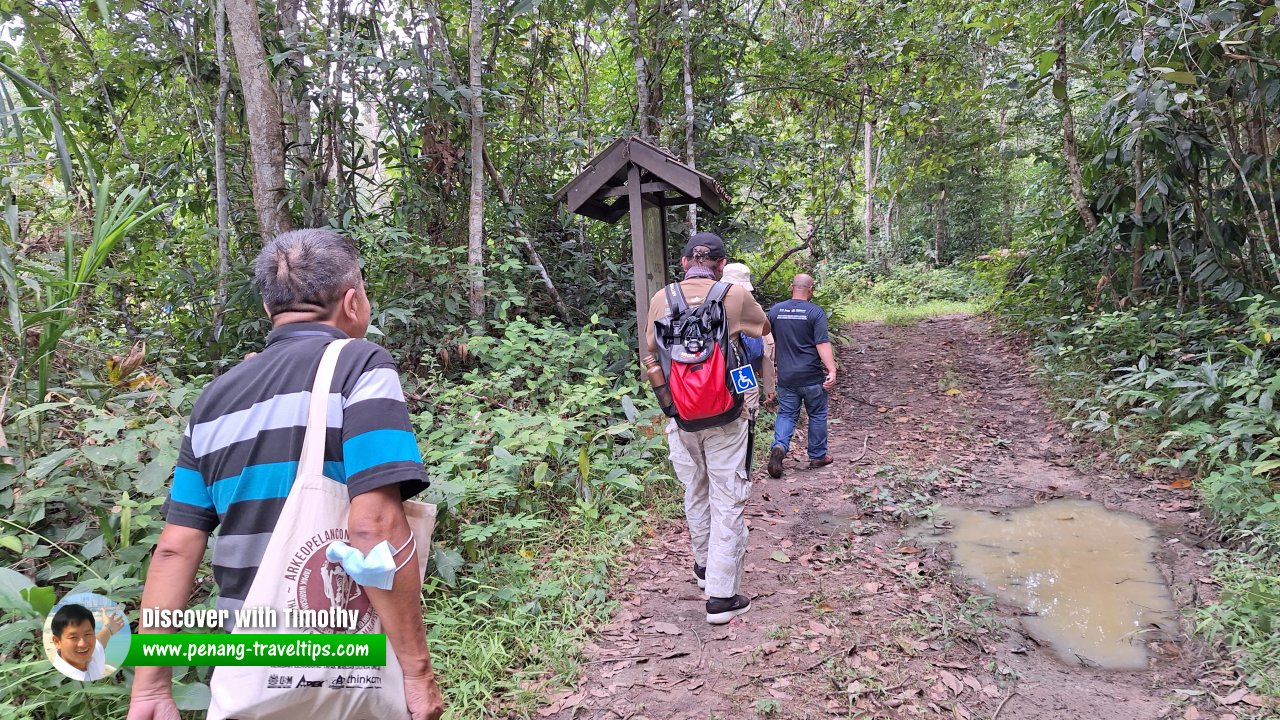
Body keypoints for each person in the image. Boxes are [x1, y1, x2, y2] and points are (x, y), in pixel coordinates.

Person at [127, 229, 444, 720]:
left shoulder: (213, 400)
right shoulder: (359, 365)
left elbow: (174, 547)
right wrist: (417, 672)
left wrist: (149, 688)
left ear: (268, 310)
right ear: (353, 300)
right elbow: (374, 527)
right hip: (341, 660)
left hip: (244, 665)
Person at [645, 233, 770, 624]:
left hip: (680, 415)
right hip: (726, 415)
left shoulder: (662, 298)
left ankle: (703, 567)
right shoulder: (732, 294)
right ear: (721, 263)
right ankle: (721, 595)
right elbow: (761, 328)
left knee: (695, 489)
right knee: (727, 497)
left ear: (683, 263)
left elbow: (650, 348)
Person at [766, 273, 837, 479]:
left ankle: (779, 446)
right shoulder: (815, 312)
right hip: (811, 375)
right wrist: (831, 369)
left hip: (787, 376)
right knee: (816, 413)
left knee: (787, 414)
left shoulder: (776, 311)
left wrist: (773, 368)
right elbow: (822, 343)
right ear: (811, 290)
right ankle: (817, 456)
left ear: (791, 287)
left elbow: (771, 342)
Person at [720, 263, 776, 418]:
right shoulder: (750, 307)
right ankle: (746, 438)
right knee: (748, 412)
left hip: (713, 369)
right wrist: (769, 387)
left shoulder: (710, 301)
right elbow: (766, 349)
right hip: (742, 369)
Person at [49, 603, 123, 681]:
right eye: (73, 637)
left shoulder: (93, 655)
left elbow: (100, 642)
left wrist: (108, 627)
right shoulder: (57, 679)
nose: (83, 644)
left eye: (87, 634)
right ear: (57, 642)